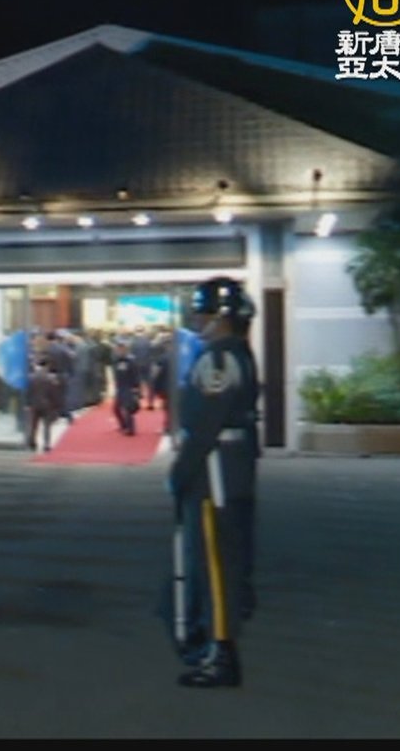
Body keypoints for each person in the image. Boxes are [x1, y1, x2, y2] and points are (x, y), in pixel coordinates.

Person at [166, 275, 261, 689]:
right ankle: (215, 635)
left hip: (215, 472)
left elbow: (205, 426)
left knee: (216, 565)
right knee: (228, 559)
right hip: (233, 468)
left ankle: (221, 653)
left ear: (221, 317)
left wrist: (180, 472)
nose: (198, 320)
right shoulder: (240, 353)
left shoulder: (218, 360)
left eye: (203, 313)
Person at [26, 358, 60, 451]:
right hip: (47, 405)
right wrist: (56, 405)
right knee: (47, 426)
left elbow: (29, 392)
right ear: (47, 366)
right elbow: (54, 393)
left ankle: (32, 443)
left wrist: (28, 403)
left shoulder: (31, 377)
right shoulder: (51, 378)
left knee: (33, 425)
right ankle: (46, 444)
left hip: (34, 404)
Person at [112, 340, 142, 436]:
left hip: (128, 387)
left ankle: (131, 429)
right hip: (120, 387)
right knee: (116, 409)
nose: (119, 351)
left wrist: (136, 388)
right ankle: (124, 425)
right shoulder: (116, 360)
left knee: (128, 409)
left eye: (121, 349)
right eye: (118, 349)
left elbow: (136, 375)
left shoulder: (131, 361)